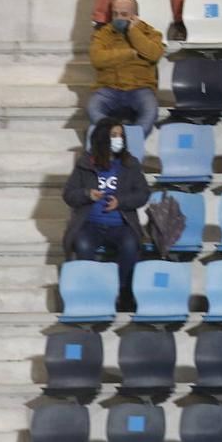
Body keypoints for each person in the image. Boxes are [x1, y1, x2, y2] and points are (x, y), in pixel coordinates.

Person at [61, 120, 150, 306]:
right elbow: (69, 194)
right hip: (89, 224)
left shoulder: (129, 163)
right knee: (83, 245)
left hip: (121, 225)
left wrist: (121, 201)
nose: (119, 140)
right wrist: (87, 194)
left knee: (130, 245)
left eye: (121, 136)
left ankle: (123, 293)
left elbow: (143, 194)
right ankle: (90, 293)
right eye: (114, 136)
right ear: (102, 139)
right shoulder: (85, 163)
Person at [88, 0, 164, 136]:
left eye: (124, 14)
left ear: (135, 16)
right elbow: (97, 59)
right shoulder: (103, 34)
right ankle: (114, 133)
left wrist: (133, 31)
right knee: (93, 108)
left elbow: (153, 54)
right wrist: (130, 53)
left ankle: (131, 141)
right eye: (115, 14)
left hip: (140, 89)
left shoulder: (150, 33)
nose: (118, 18)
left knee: (151, 111)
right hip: (109, 88)